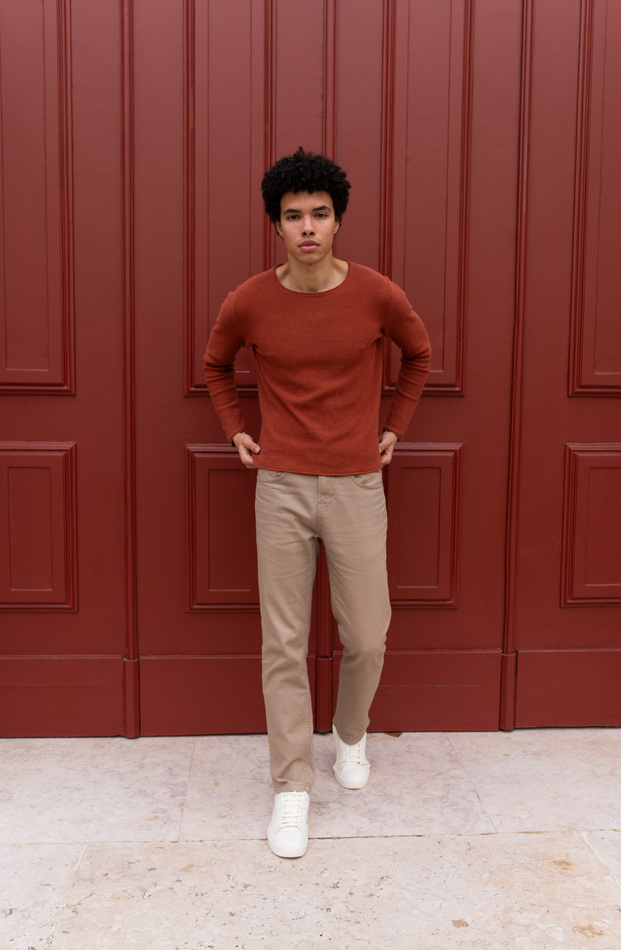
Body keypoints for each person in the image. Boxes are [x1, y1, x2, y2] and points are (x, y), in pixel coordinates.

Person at [204, 147, 431, 858]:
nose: (307, 227)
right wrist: (235, 430)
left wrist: (395, 427)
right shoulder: (248, 301)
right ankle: (292, 787)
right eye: (294, 215)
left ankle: (350, 734)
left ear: (338, 222)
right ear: (276, 225)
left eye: (320, 214)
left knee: (367, 634)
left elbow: (419, 354)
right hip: (281, 486)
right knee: (284, 641)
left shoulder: (376, 295)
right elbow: (215, 365)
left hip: (357, 482)